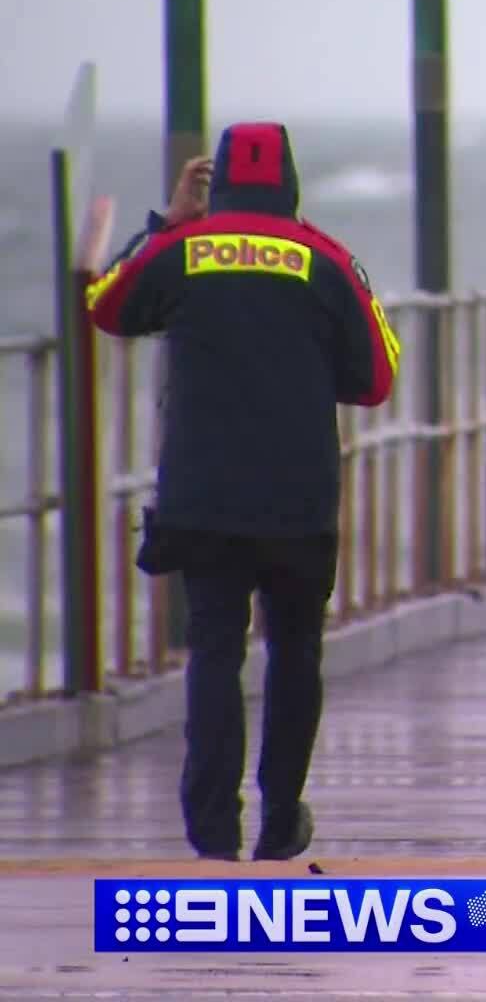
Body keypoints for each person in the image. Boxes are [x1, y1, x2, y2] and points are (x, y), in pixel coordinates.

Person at [85, 123, 402, 861]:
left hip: (203, 497)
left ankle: (211, 828)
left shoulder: (182, 250)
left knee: (214, 652)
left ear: (218, 179)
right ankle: (281, 815)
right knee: (296, 652)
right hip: (298, 500)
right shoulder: (324, 260)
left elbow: (106, 307)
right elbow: (379, 376)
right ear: (289, 181)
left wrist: (167, 222)